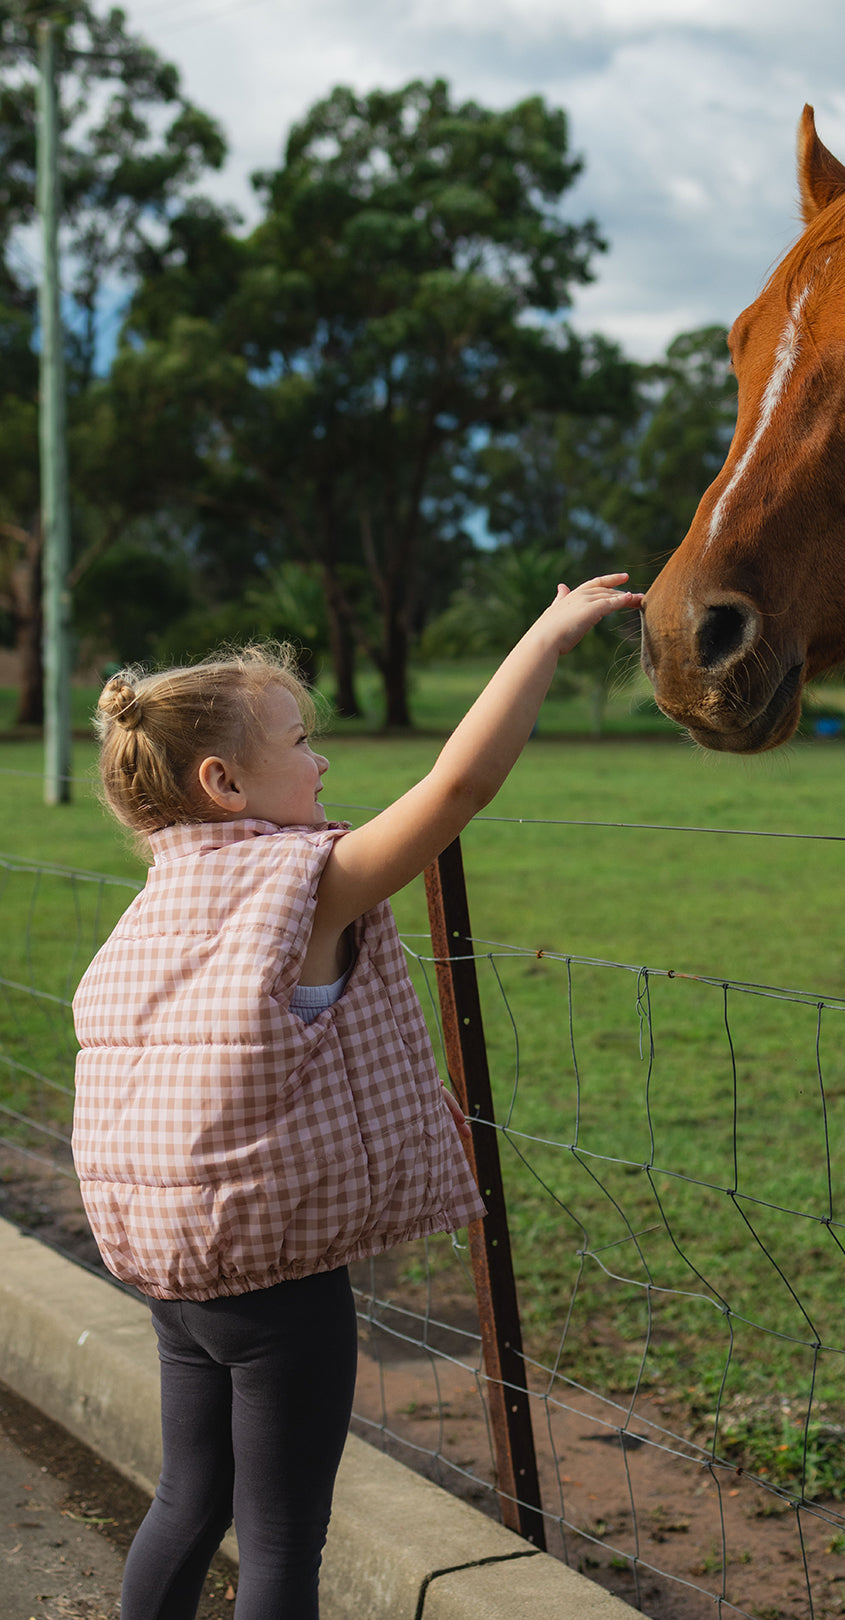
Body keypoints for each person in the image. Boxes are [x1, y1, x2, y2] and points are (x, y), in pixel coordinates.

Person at [71, 573, 643, 1620]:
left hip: (173, 1273)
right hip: (279, 1289)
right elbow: (458, 787)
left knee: (188, 1499)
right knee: (286, 1540)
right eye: (298, 741)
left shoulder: (154, 904)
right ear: (224, 783)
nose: (321, 758)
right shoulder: (307, 886)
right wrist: (546, 638)